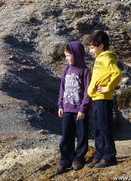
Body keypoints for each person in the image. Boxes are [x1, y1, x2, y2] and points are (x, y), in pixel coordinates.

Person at [85, 30, 122, 168]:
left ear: (101, 46)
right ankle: (100, 154)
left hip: (104, 99)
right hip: (96, 98)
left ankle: (110, 156)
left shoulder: (107, 57)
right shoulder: (99, 59)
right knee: (98, 127)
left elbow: (117, 73)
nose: (91, 51)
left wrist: (108, 88)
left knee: (105, 127)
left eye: (92, 48)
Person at [56, 41, 91, 174]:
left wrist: (83, 109)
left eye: (68, 55)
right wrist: (60, 105)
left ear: (76, 54)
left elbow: (88, 92)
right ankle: (65, 161)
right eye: (65, 55)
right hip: (67, 110)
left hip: (80, 112)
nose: (66, 58)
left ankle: (79, 159)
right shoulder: (67, 70)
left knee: (81, 135)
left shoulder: (85, 71)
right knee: (66, 135)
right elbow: (62, 89)